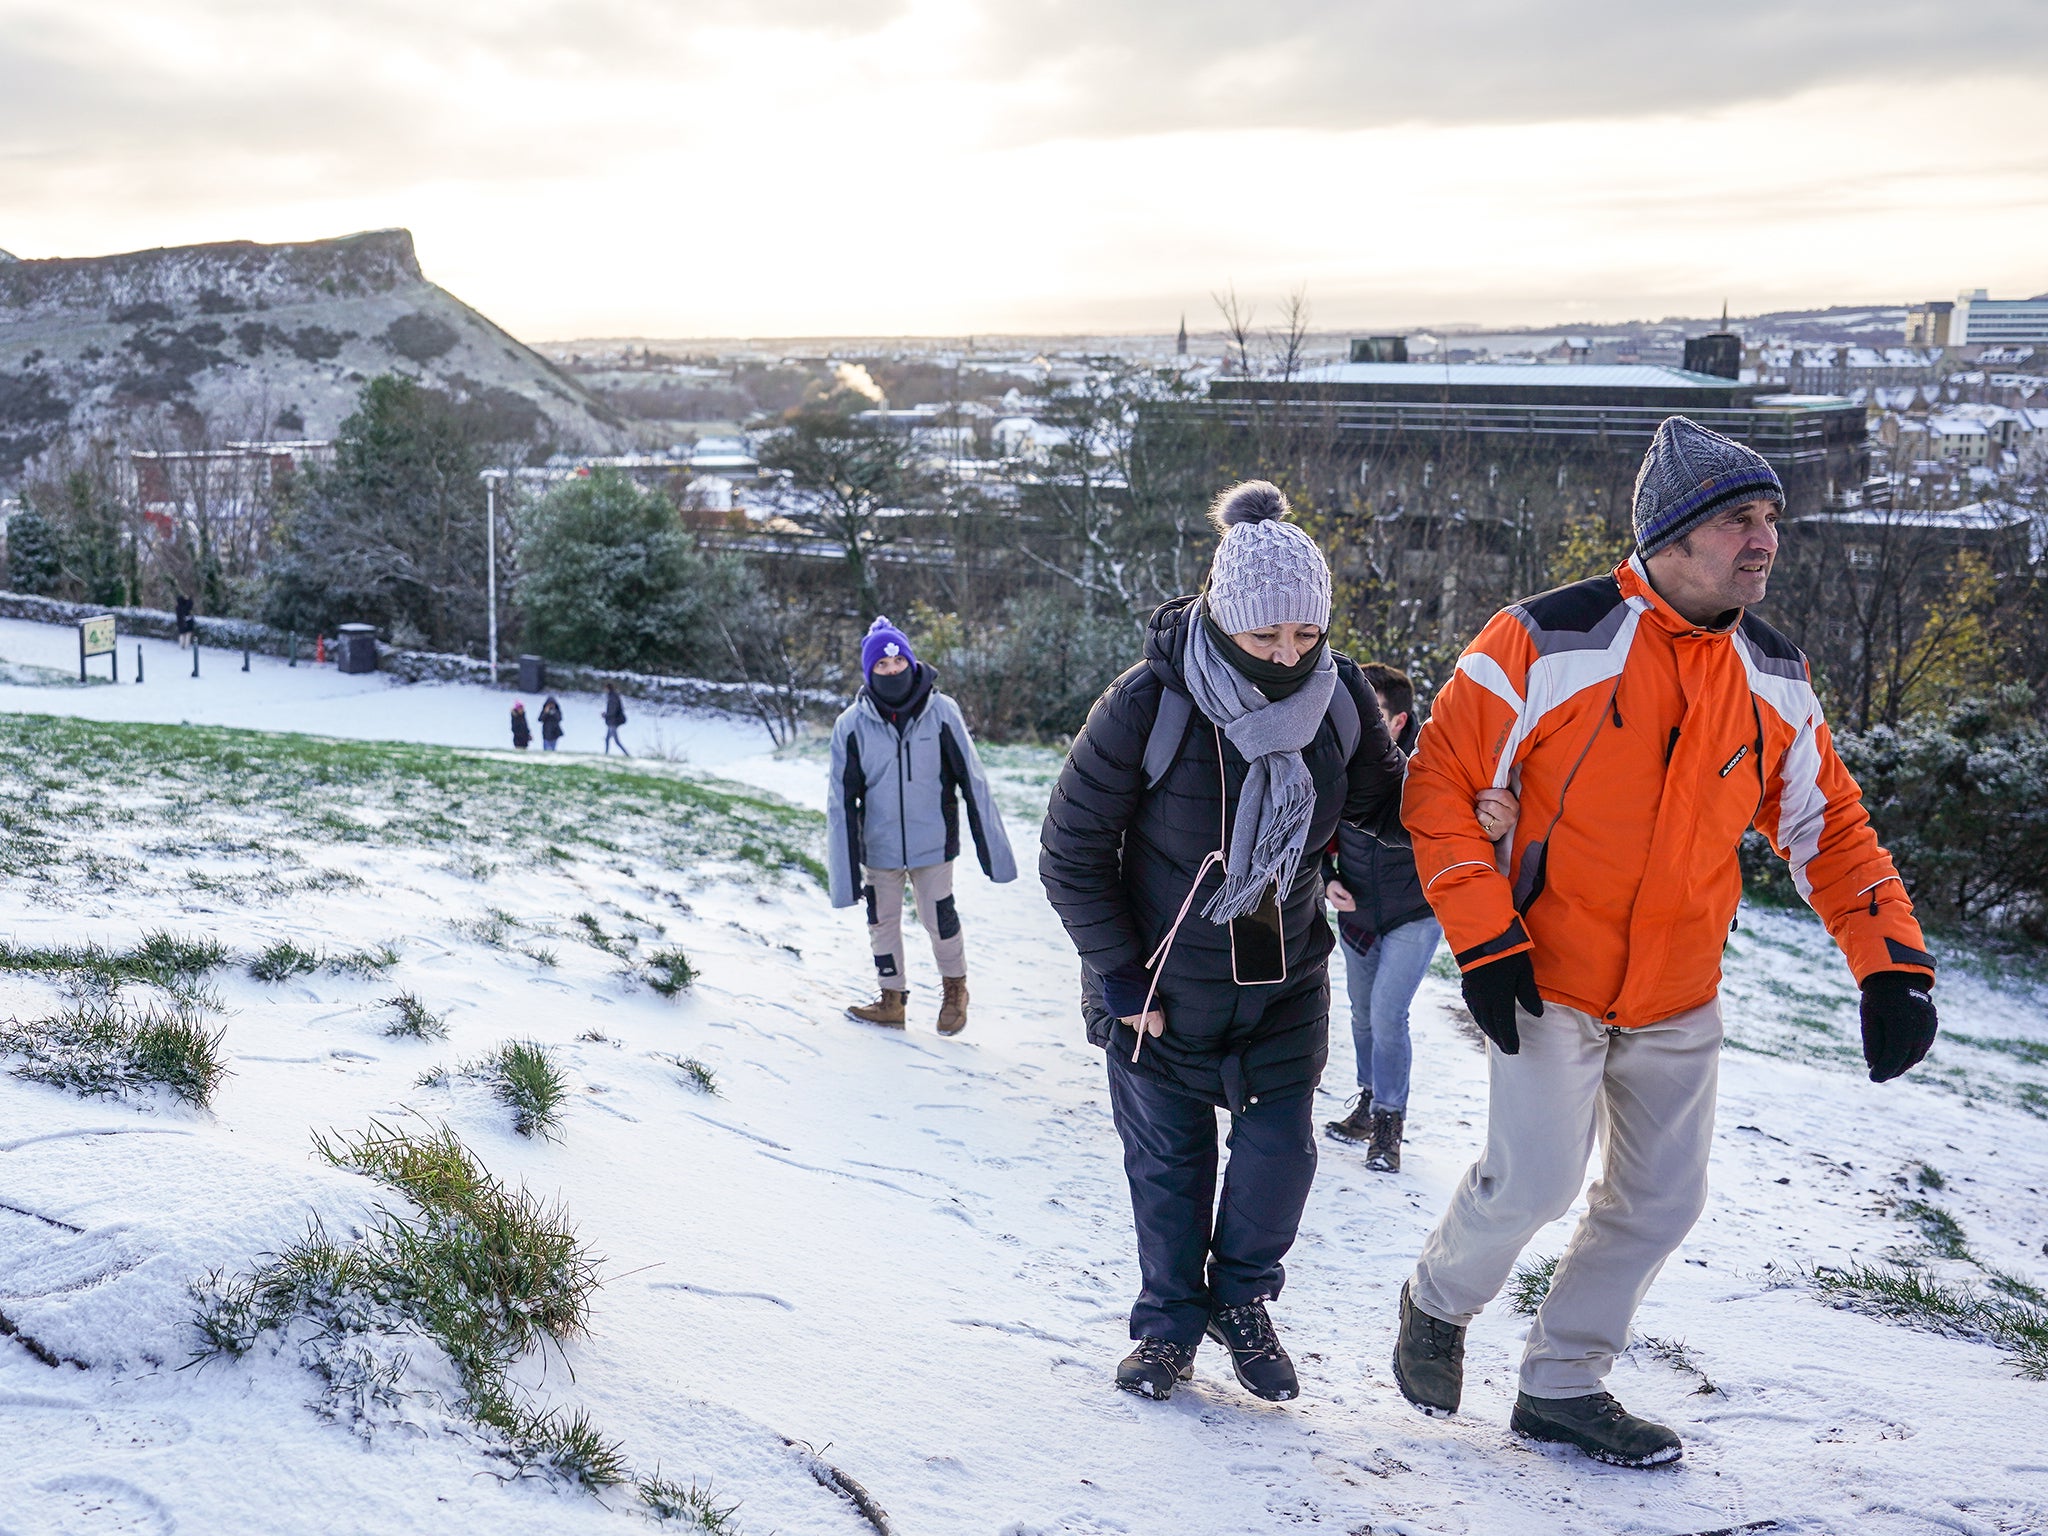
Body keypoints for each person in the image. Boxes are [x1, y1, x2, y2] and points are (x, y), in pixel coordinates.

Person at [1390, 416, 1939, 1469]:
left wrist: (1890, 967)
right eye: (1737, 519)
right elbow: (1439, 787)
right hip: (1544, 974)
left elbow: (1830, 829)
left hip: (1678, 989)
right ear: (1669, 535)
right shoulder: (1545, 638)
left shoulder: (1773, 675)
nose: (1762, 540)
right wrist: (1484, 940)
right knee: (1536, 1181)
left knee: (1658, 1202)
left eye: (1771, 518)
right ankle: (1435, 1296)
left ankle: (1559, 1385)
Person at [1040, 481, 1417, 1406]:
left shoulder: (1341, 697)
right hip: (1161, 985)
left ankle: (1242, 1300)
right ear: (1220, 617)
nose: (1289, 655)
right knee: (1170, 1168)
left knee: (1280, 1159)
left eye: (1306, 635)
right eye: (1265, 637)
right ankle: (1168, 1328)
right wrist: (1123, 983)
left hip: (1285, 975)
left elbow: (1384, 805)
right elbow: (1071, 854)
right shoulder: (1148, 703)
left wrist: (1472, 804)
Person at [827, 617, 1016, 1037]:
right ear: (869, 671)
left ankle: (955, 990)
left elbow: (973, 780)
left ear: (910, 662)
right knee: (882, 923)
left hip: (934, 843)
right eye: (882, 666)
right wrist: (843, 878)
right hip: (879, 848)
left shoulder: (942, 712)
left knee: (939, 919)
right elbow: (840, 803)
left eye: (898, 663)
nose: (892, 671)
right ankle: (891, 999)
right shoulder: (851, 726)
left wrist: (995, 857)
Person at [1322, 663, 1450, 1173]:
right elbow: (1317, 827)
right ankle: (1368, 1103)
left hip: (1414, 911)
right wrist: (1325, 877)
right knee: (1360, 1012)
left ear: (1397, 722)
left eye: (1370, 712)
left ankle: (1388, 1126)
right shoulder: (1338, 750)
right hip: (1356, 909)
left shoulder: (1433, 764)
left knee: (1387, 1012)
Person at [602, 685, 630, 756]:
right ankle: (606, 753)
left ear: (608, 688)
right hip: (612, 721)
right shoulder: (613, 696)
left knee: (616, 741)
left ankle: (627, 754)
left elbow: (612, 711)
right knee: (607, 738)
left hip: (613, 721)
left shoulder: (612, 698)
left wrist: (606, 715)